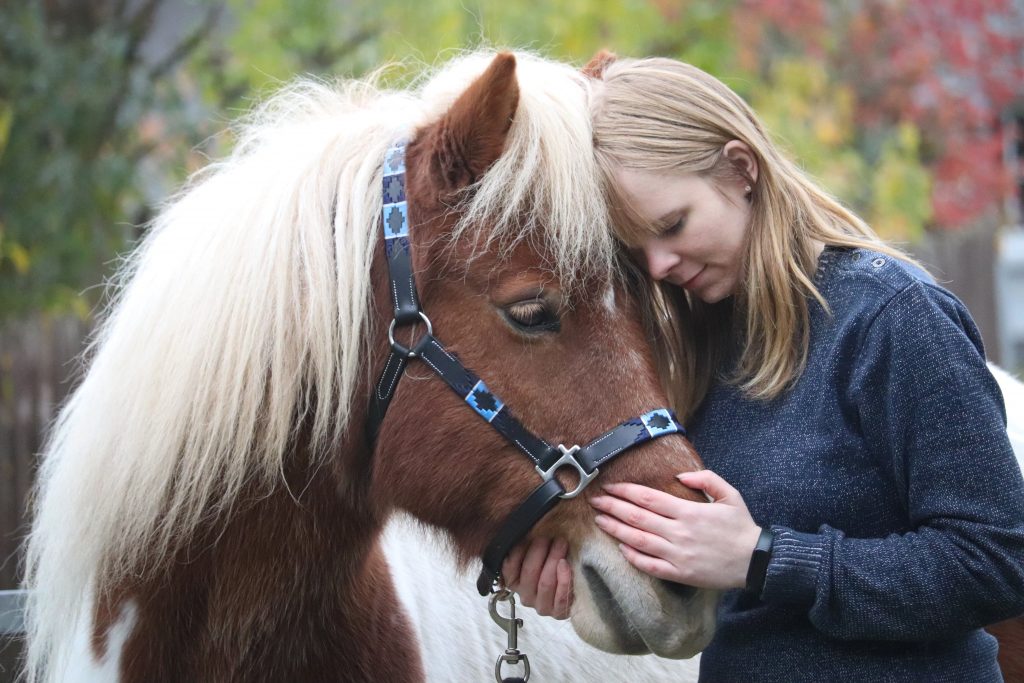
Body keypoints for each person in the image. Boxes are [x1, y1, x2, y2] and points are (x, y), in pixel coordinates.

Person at [502, 54, 1024, 682]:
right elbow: (720, 596)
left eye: (673, 225)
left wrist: (764, 559)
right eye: (636, 249)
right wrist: (585, 572)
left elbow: (998, 563)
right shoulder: (699, 349)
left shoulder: (893, 319)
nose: (660, 265)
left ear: (741, 169)